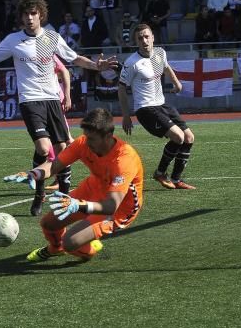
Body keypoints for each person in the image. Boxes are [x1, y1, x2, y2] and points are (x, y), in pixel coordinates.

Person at [0, 0, 118, 215]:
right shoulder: (13, 40)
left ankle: (64, 196)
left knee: (63, 150)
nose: (29, 18)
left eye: (33, 13)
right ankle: (39, 194)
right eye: (25, 14)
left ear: (41, 15)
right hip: (30, 99)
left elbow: (73, 59)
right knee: (44, 148)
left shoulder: (52, 38)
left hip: (52, 99)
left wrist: (96, 66)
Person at [17, 108, 145, 263]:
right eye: (86, 136)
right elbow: (54, 165)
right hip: (93, 189)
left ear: (108, 136)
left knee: (70, 242)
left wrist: (79, 205)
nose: (86, 142)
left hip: (120, 208)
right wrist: (33, 174)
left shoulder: (124, 159)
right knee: (48, 224)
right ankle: (55, 249)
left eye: (92, 138)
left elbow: (111, 206)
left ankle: (88, 251)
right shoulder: (84, 143)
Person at [117, 23, 196, 190]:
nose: (144, 41)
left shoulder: (160, 53)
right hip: (145, 109)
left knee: (189, 137)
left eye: (147, 37)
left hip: (162, 104)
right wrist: (125, 115)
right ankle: (160, 173)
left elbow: (166, 67)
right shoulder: (132, 63)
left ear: (153, 37)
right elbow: (122, 87)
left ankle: (176, 179)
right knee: (178, 137)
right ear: (136, 42)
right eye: (140, 38)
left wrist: (177, 83)